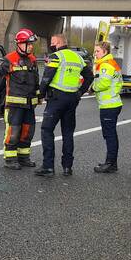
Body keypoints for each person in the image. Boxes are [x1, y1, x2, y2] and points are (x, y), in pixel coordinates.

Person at [36, 34, 92, 177]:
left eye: (53, 42)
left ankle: (48, 167)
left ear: (59, 43)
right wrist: (80, 92)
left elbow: (47, 77)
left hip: (56, 98)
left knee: (47, 130)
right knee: (68, 133)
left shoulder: (56, 56)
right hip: (72, 98)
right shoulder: (78, 57)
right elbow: (89, 76)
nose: (51, 45)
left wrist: (40, 95)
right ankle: (67, 167)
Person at [0, 28, 40, 170]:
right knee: (13, 132)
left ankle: (24, 158)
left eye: (32, 44)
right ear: (20, 44)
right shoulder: (10, 59)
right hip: (14, 106)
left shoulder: (33, 60)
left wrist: (39, 96)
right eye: (29, 44)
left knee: (28, 132)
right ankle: (10, 159)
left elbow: (36, 81)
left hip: (29, 105)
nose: (31, 46)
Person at [90, 42, 123, 173]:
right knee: (110, 134)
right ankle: (111, 162)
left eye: (97, 51)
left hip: (109, 105)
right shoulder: (110, 63)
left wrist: (92, 88)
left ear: (105, 51)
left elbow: (103, 83)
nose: (95, 54)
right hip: (112, 103)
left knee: (109, 135)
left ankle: (110, 164)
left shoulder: (105, 65)